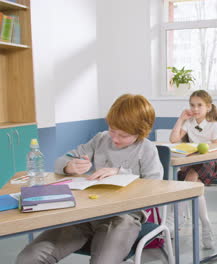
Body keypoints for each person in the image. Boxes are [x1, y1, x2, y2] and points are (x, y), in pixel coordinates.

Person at [16, 94, 163, 264]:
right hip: (87, 213)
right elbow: (61, 161)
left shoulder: (146, 149)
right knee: (28, 258)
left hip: (124, 217)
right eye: (112, 130)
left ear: (141, 132)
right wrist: (69, 166)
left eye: (123, 135)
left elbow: (156, 187)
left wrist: (120, 173)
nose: (114, 138)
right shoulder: (101, 139)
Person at [169, 89, 217, 249]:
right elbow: (173, 139)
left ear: (208, 107)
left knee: (192, 175)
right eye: (192, 105)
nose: (195, 109)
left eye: (199, 105)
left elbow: (216, 150)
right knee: (195, 183)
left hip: (214, 163)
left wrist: (197, 154)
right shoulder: (189, 123)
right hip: (194, 163)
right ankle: (206, 225)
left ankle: (175, 218)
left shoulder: (214, 125)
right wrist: (181, 119)